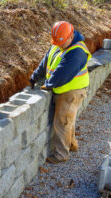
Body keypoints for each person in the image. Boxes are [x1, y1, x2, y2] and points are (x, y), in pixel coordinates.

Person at [29, 21, 91, 164]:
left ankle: (61, 154)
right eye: (56, 43)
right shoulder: (58, 43)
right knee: (68, 119)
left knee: (62, 122)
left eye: (61, 43)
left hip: (72, 91)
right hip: (64, 90)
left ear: (71, 37)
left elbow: (62, 74)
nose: (58, 45)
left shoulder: (77, 52)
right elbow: (46, 62)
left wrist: (48, 85)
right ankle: (72, 144)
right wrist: (35, 77)